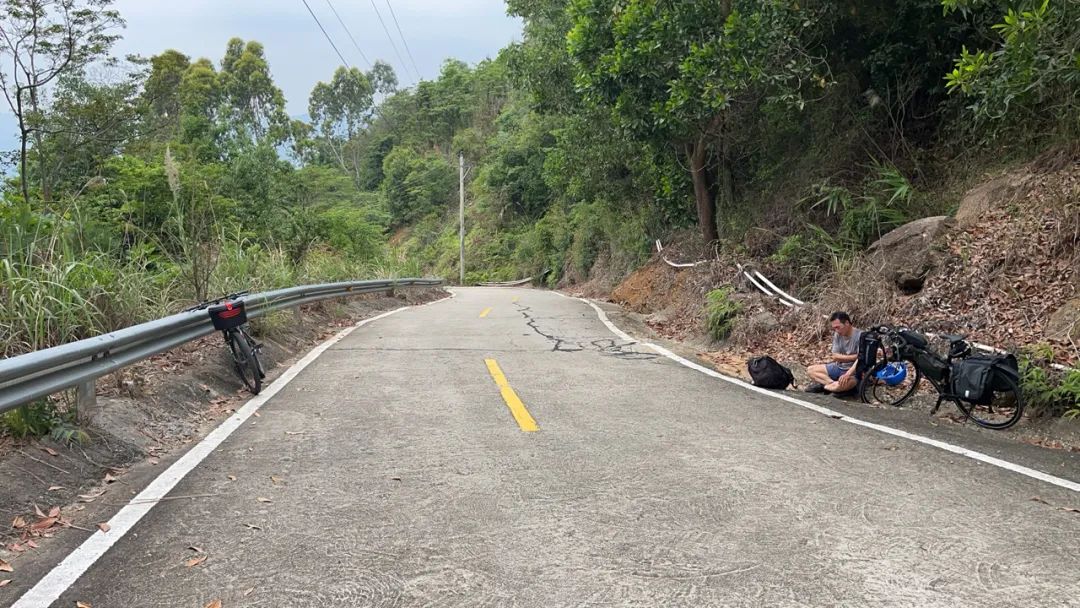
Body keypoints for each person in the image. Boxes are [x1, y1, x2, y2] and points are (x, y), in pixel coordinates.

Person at [805, 312, 863, 394]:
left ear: (847, 323)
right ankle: (831, 385)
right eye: (834, 328)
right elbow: (835, 357)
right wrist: (855, 357)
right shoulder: (838, 334)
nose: (836, 330)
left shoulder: (860, 336)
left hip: (853, 371)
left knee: (843, 385)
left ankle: (828, 386)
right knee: (810, 370)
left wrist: (848, 374)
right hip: (838, 366)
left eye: (838, 327)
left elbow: (860, 360)